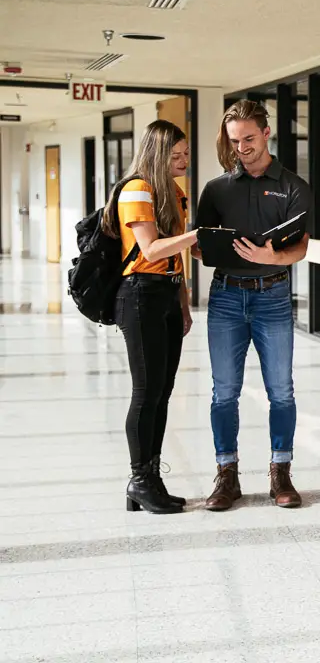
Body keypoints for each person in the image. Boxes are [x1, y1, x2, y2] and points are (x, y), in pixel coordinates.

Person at [193, 99, 312, 510]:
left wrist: (272, 257)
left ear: (266, 133)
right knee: (224, 391)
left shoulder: (294, 187)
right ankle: (227, 476)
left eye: (248, 138)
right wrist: (212, 250)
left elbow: (300, 245)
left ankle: (281, 471)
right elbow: (199, 246)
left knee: (281, 390)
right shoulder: (216, 189)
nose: (241, 148)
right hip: (226, 296)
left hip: (274, 296)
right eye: (233, 141)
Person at [103, 120, 198, 514]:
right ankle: (140, 479)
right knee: (145, 392)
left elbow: (173, 258)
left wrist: (183, 301)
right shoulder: (137, 189)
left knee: (162, 391)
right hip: (139, 294)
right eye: (175, 155)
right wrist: (198, 234)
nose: (183, 161)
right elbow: (152, 248)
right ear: (157, 155)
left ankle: (150, 479)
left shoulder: (172, 192)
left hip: (165, 294)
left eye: (186, 154)